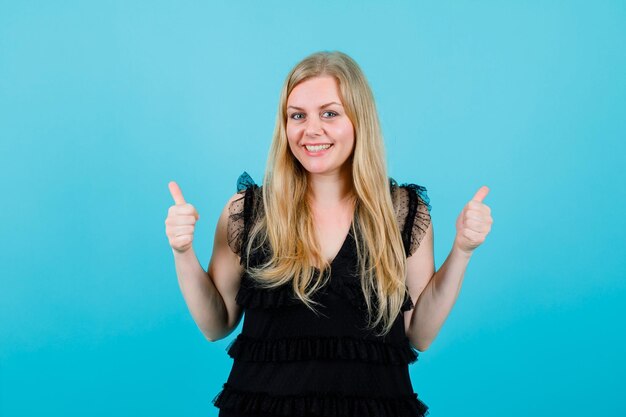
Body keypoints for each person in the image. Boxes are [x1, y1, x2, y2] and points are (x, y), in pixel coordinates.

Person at [165, 51, 493, 417]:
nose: (311, 130)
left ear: (359, 120)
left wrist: (462, 250)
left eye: (330, 113)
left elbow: (419, 333)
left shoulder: (401, 211)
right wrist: (182, 253)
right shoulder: (249, 212)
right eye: (297, 116)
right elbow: (216, 325)